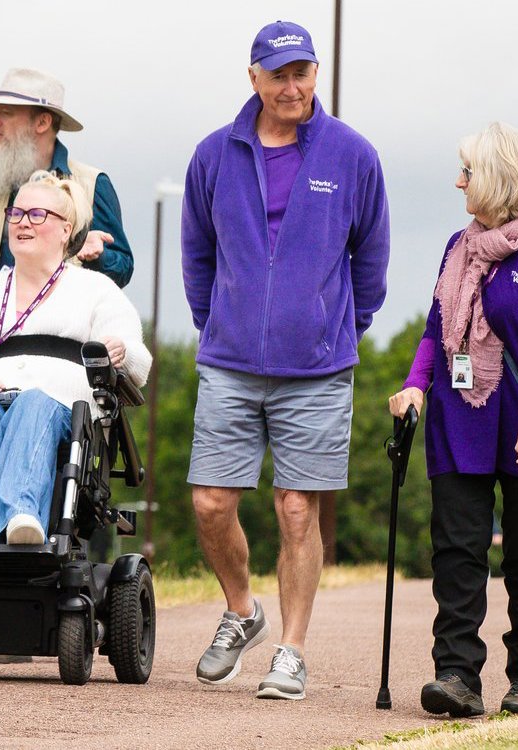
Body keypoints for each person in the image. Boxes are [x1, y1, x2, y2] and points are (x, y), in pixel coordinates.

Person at [180, 19, 390, 701]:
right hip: (230, 363)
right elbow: (196, 256)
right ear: (254, 79)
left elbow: (372, 261)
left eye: (302, 72)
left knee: (298, 509)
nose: (291, 86)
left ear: (314, 75)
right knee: (211, 503)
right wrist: (219, 326)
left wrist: (335, 331)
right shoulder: (213, 156)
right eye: (278, 74)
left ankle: (291, 652)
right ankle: (243, 612)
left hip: (319, 370)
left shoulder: (352, 155)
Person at [389, 122, 518, 718]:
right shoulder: (460, 245)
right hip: (462, 417)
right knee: (457, 550)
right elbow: (436, 330)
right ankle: (456, 675)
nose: (459, 182)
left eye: (468, 172)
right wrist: (413, 386)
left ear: (500, 176)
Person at [0, 172, 151, 565]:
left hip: (62, 413)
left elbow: (137, 362)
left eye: (37, 214)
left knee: (34, 403)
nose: (22, 222)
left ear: (65, 229)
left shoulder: (96, 290)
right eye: (16, 213)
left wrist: (122, 352)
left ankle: (20, 519)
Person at [0, 68, 132, 288]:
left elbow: (123, 271)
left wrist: (97, 257)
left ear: (42, 123)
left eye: (6, 112)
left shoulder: (92, 184)